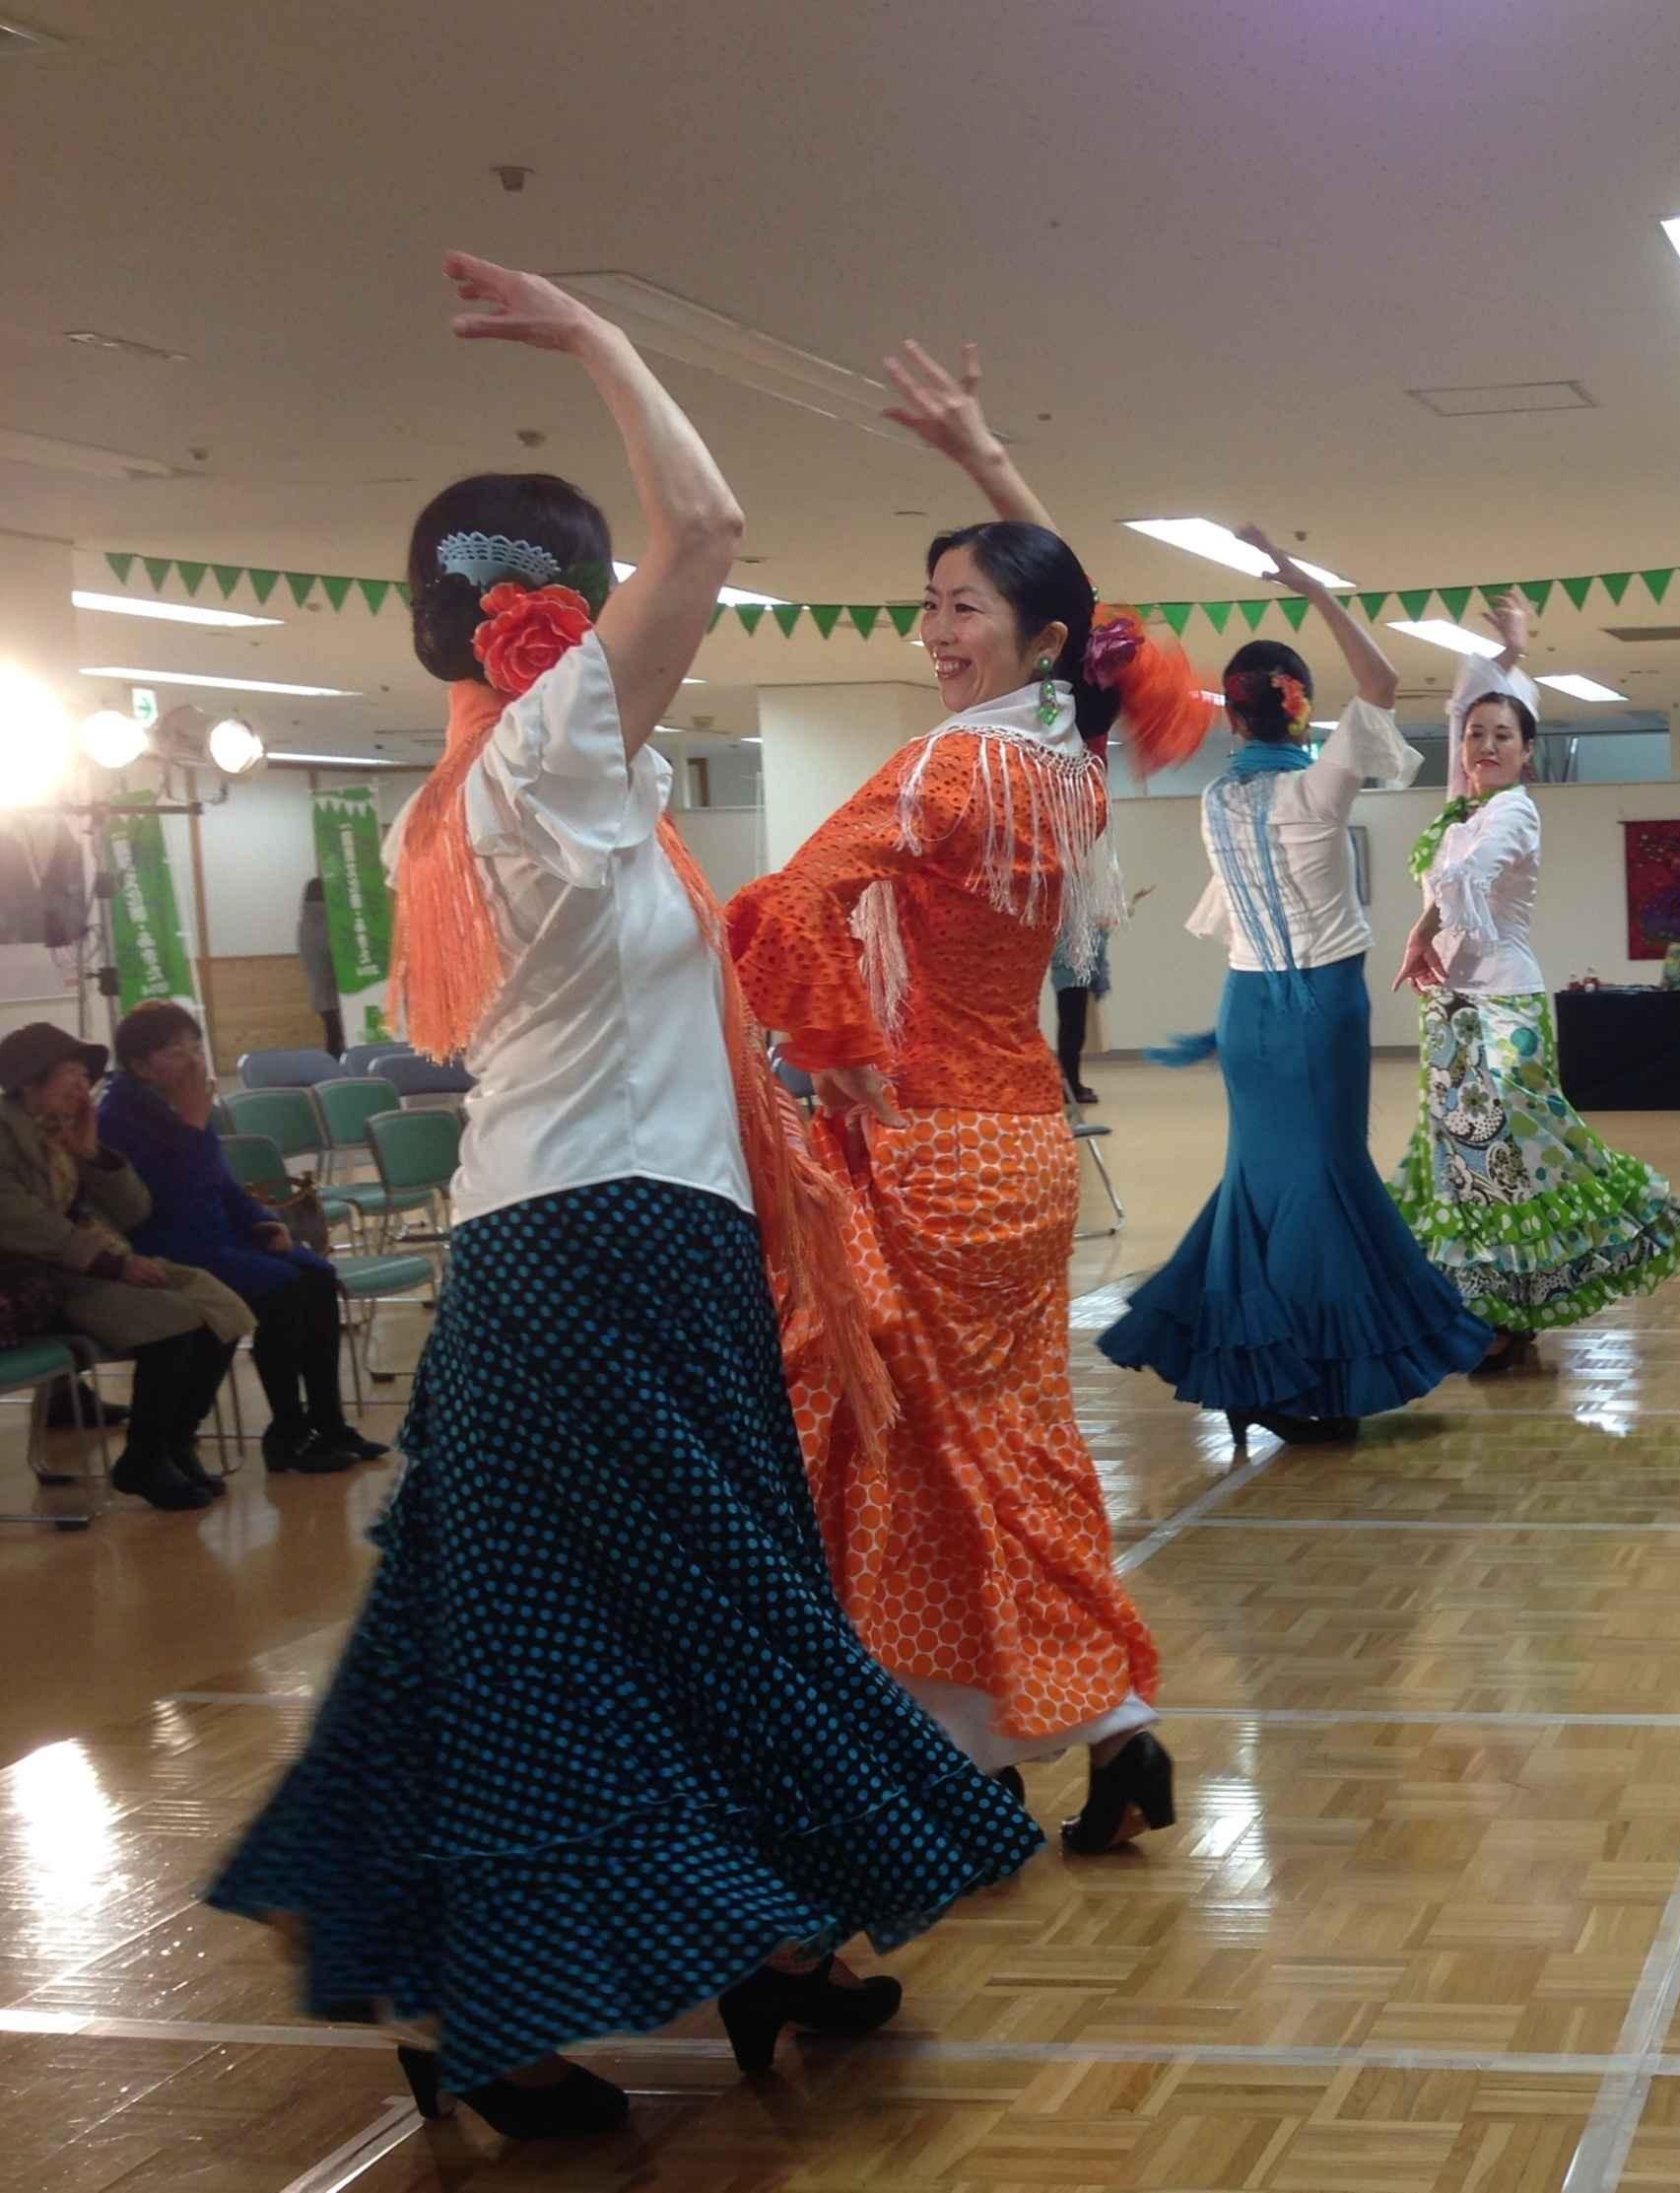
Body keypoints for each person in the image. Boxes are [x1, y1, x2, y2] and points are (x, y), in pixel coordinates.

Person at [204, 257, 1042, 2143]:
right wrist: (593, 336)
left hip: (580, 1247)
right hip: (603, 1253)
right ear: (541, 642)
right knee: (696, 1615)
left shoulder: (508, 801)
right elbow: (716, 525)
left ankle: (736, 1967)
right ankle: (581, 1992)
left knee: (539, 1632)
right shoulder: (545, 768)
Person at [727, 337, 1206, 1854]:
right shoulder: (1070, 757)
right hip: (1028, 1152)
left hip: (932, 1147)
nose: (934, 631)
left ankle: (978, 1764)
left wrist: (835, 1050)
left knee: (929, 1457)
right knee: (1014, 1442)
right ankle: (1090, 1733)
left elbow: (784, 905)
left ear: (1029, 635)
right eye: (928, 602)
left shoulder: (943, 769)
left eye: (963, 608)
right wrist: (985, 456)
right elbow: (1094, 625)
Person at [1099, 531, 1492, 1445]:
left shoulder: (1215, 803)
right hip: (1320, 1013)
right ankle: (1311, 1375)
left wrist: (1218, 1031)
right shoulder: (1318, 787)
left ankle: (1263, 1371)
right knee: (1322, 1179)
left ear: (1232, 719)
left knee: (1266, 1183)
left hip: (1250, 1017)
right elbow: (1384, 681)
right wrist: (1311, 585)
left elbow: (1235, 920)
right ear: (1296, 708)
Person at [1386, 590, 1680, 1370]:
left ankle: (1507, 1312)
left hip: (1503, 1009)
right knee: (1462, 1164)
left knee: (1511, 1161)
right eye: (1474, 735)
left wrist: (1439, 896)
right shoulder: (1463, 811)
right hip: (1452, 1007)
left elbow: (1465, 883)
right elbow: (1444, 893)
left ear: (1528, 752)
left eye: (1501, 737)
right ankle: (1488, 1310)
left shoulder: (1511, 813)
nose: (1484, 745)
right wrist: (1420, 933)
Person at [94, 1000, 384, 1474]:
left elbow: (222, 1182)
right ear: (141, 1065)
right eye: (175, 1051)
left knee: (316, 1273)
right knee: (282, 1289)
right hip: (169, 1242)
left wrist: (261, 1219)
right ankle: (288, 1432)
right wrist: (191, 1125)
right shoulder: (119, 1119)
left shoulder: (179, 1102)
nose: (193, 1060)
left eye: (196, 1046)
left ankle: (328, 1423)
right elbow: (159, 1202)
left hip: (219, 1235)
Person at [0, 1020, 252, 1511]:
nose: (82, 1086)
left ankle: (173, 1439)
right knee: (174, 1320)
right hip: (33, 1278)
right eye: (69, 1075)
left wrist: (93, 1155)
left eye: (83, 1075)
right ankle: (143, 1457)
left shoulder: (61, 1134)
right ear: (31, 1082)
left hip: (86, 1265)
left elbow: (135, 1211)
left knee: (221, 1306)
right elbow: (18, 1219)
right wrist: (109, 1265)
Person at [1051, 886, 1150, 1108]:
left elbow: (1105, 924)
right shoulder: (1063, 922)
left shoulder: (1076, 921)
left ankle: (1072, 1085)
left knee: (1075, 1036)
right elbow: (1091, 935)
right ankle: (1069, 1089)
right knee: (1071, 1037)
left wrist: (1133, 901)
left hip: (1077, 982)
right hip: (1070, 982)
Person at [297, 879, 344, 1056]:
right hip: (333, 987)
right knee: (336, 1036)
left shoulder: (304, 921)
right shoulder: (327, 919)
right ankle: (340, 1071)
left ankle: (336, 1069)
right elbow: (332, 950)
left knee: (333, 1033)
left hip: (318, 987)